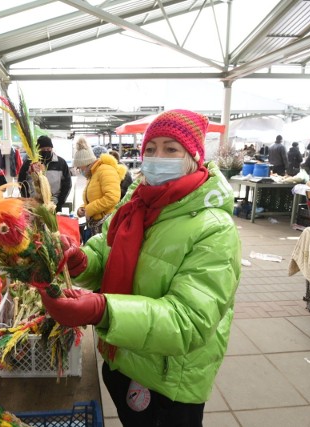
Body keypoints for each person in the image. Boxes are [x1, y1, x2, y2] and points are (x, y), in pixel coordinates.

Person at [40, 110, 241, 427]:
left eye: (170, 149)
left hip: (168, 380)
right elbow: (105, 250)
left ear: (194, 157)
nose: (157, 157)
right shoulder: (137, 202)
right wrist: (82, 260)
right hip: (123, 358)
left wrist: (103, 310)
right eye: (151, 149)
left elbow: (189, 320)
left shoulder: (214, 228)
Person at [73, 137, 126, 243]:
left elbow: (112, 198)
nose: (79, 170)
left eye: (79, 167)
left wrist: (89, 209)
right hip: (95, 225)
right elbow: (91, 198)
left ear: (86, 163)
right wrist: (82, 209)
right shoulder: (92, 174)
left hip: (106, 226)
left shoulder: (105, 170)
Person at [17, 135, 71, 212]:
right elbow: (21, 182)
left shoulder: (61, 163)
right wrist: (27, 199)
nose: (46, 151)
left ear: (52, 149)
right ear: (38, 150)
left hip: (53, 204)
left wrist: (59, 202)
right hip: (34, 204)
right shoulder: (29, 163)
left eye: (48, 149)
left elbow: (67, 185)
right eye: (43, 149)